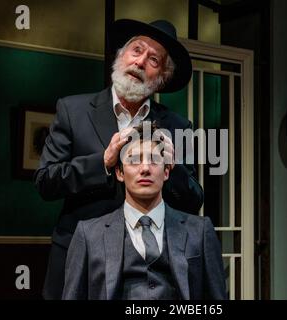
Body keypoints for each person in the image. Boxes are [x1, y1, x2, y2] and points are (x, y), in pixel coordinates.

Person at [34, 19, 204, 300]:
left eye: (153, 60)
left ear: (161, 76)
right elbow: (45, 182)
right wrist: (103, 160)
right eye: (136, 50)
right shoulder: (72, 110)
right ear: (120, 56)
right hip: (80, 261)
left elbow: (194, 200)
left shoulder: (178, 127)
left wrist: (173, 170)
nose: (140, 62)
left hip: (151, 270)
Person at [62, 123, 226, 300]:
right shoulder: (89, 235)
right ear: (119, 172)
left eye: (154, 160)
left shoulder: (200, 231)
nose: (145, 168)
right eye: (134, 160)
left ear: (166, 172)